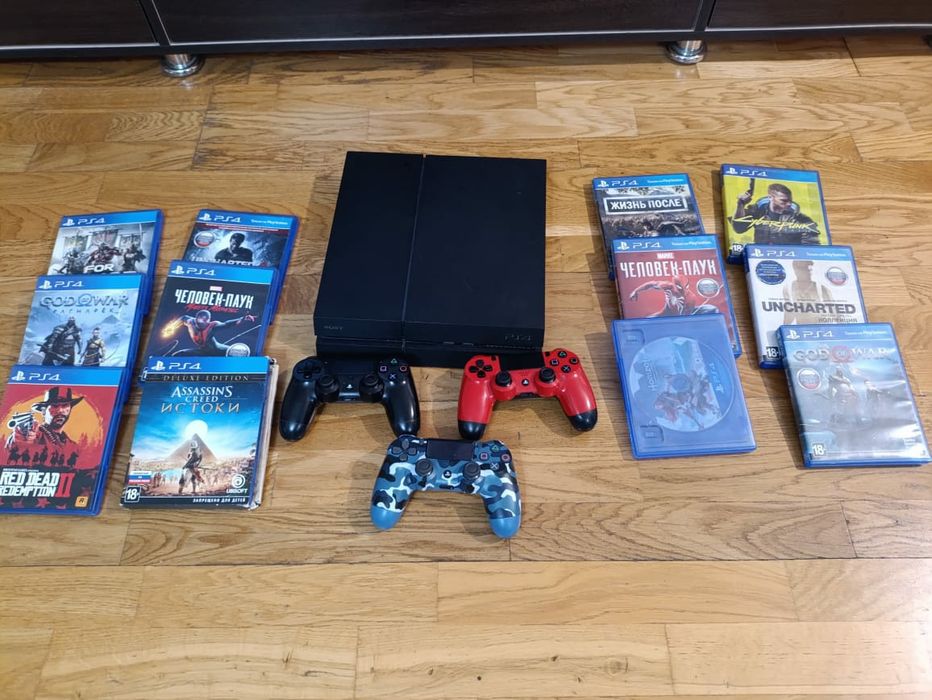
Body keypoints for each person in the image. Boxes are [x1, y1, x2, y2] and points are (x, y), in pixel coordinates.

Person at [732, 182, 821, 245]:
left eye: (790, 201)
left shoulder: (801, 219)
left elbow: (811, 246)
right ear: (770, 197)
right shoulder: (758, 211)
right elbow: (738, 228)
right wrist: (740, 204)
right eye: (784, 201)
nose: (789, 204)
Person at [4, 387, 83, 450]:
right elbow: (14, 444)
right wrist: (20, 442)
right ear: (43, 411)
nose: (60, 410)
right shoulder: (37, 433)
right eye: (55, 406)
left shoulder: (72, 445)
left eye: (65, 405)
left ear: (70, 409)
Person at [173, 309, 256, 356]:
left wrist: (241, 319)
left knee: (240, 353)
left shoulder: (212, 326)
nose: (201, 324)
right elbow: (182, 318)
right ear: (196, 319)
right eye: (199, 321)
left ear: (208, 320)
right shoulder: (190, 322)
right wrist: (172, 327)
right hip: (203, 351)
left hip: (218, 350)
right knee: (179, 354)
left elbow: (226, 324)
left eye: (204, 321)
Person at [628, 275, 719, 317]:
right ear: (674, 285)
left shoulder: (691, 299)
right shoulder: (668, 286)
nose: (683, 291)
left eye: (685, 288)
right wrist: (636, 291)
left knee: (712, 309)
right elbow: (651, 284)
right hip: (666, 313)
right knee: (647, 321)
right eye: (679, 288)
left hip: (683, 315)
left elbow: (685, 318)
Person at [782, 260, 834, 325]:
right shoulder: (788, 289)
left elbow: (836, 313)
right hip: (801, 328)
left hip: (821, 327)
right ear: (795, 270)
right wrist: (784, 327)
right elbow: (789, 313)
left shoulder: (822, 289)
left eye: (809, 269)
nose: (808, 271)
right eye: (804, 268)